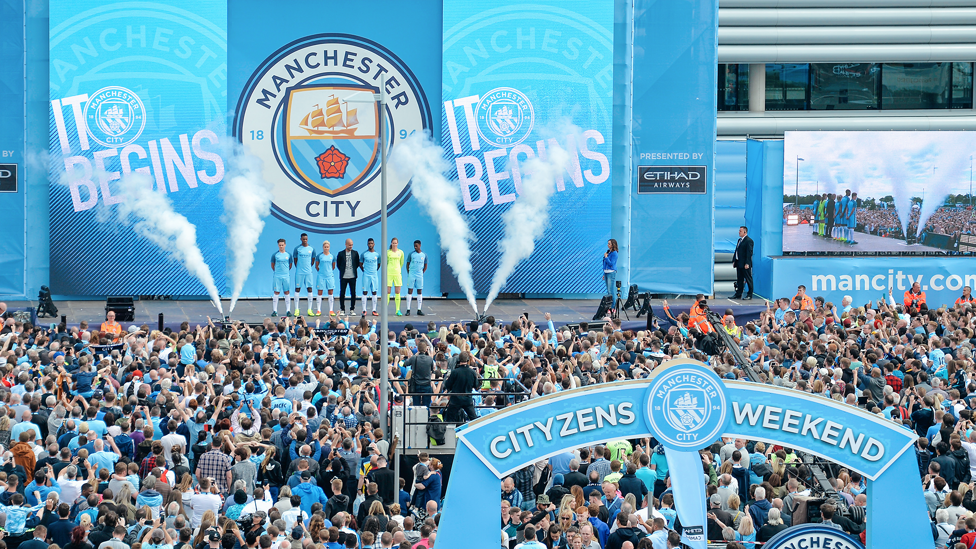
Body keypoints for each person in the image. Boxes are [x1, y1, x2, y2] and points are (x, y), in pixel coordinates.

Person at [441, 352, 479, 423]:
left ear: (459, 360)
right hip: (467, 399)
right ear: (467, 360)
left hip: (456, 399)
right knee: (474, 419)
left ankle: (450, 433)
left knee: (450, 420)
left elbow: (447, 385)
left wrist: (447, 381)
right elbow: (476, 385)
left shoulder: (455, 372)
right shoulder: (472, 372)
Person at [291, 233, 316, 317]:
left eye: (306, 239)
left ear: (307, 239)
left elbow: (313, 260)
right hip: (299, 272)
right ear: (301, 239)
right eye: (303, 239)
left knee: (310, 289)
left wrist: (308, 267)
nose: (305, 240)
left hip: (308, 272)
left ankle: (309, 309)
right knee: (297, 289)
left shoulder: (311, 248)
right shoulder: (297, 249)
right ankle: (296, 309)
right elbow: (295, 260)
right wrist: (299, 267)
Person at [335, 238, 360, 316]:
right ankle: (342, 309)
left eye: (352, 245)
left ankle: (352, 309)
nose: (351, 246)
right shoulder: (341, 254)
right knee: (342, 293)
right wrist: (343, 271)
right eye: (349, 245)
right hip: (344, 277)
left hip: (353, 276)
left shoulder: (355, 253)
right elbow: (338, 264)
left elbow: (357, 264)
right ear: (346, 244)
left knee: (353, 293)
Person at [404, 240, 427, 316]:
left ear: (420, 245)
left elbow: (425, 265)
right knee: (410, 290)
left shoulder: (424, 255)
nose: (415, 247)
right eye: (414, 246)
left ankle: (419, 309)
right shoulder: (411, 254)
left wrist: (421, 272)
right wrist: (409, 272)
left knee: (419, 291)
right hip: (412, 274)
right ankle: (408, 310)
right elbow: (407, 264)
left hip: (419, 275)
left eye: (416, 246)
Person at [314, 240, 337, 317]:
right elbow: (316, 266)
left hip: (330, 276)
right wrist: (321, 271)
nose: (326, 248)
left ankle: (331, 310)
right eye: (325, 247)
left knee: (330, 293)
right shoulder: (319, 256)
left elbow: (333, 266)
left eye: (327, 247)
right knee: (319, 293)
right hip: (321, 276)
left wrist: (328, 272)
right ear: (323, 247)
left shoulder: (332, 256)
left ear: (329, 247)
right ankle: (318, 310)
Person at [271, 238, 292, 317]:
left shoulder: (288, 254)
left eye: (282, 245)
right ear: (278, 245)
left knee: (287, 292)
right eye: (280, 245)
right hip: (277, 276)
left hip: (286, 276)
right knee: (276, 292)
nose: (281, 246)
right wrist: (277, 272)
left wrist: (285, 272)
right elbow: (272, 265)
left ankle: (288, 310)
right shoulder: (275, 255)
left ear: (285, 245)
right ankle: (275, 311)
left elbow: (290, 265)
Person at [731, 226, 753, 300]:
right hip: (739, 263)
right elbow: (737, 251)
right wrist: (734, 260)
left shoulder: (748, 241)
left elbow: (749, 253)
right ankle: (738, 294)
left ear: (745, 232)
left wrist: (747, 263)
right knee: (739, 279)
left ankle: (749, 294)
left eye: (740, 231)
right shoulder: (739, 240)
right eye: (739, 231)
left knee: (748, 278)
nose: (739, 232)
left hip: (745, 264)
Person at [360, 238, 380, 317]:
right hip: (366, 275)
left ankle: (374, 310)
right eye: (369, 243)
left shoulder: (377, 254)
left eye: (372, 243)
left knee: (374, 292)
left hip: (374, 275)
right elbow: (360, 264)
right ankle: (364, 310)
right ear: (367, 244)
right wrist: (365, 271)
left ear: (374, 244)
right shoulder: (364, 254)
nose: (370, 245)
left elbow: (379, 264)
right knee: (365, 292)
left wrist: (374, 271)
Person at [386, 237, 405, 317]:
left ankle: (398, 310)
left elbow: (401, 263)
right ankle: (385, 309)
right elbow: (386, 262)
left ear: (397, 243)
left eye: (395, 243)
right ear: (391, 243)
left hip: (397, 274)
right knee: (388, 292)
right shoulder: (387, 252)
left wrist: (397, 269)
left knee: (397, 292)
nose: (394, 244)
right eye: (393, 243)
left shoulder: (401, 252)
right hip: (389, 274)